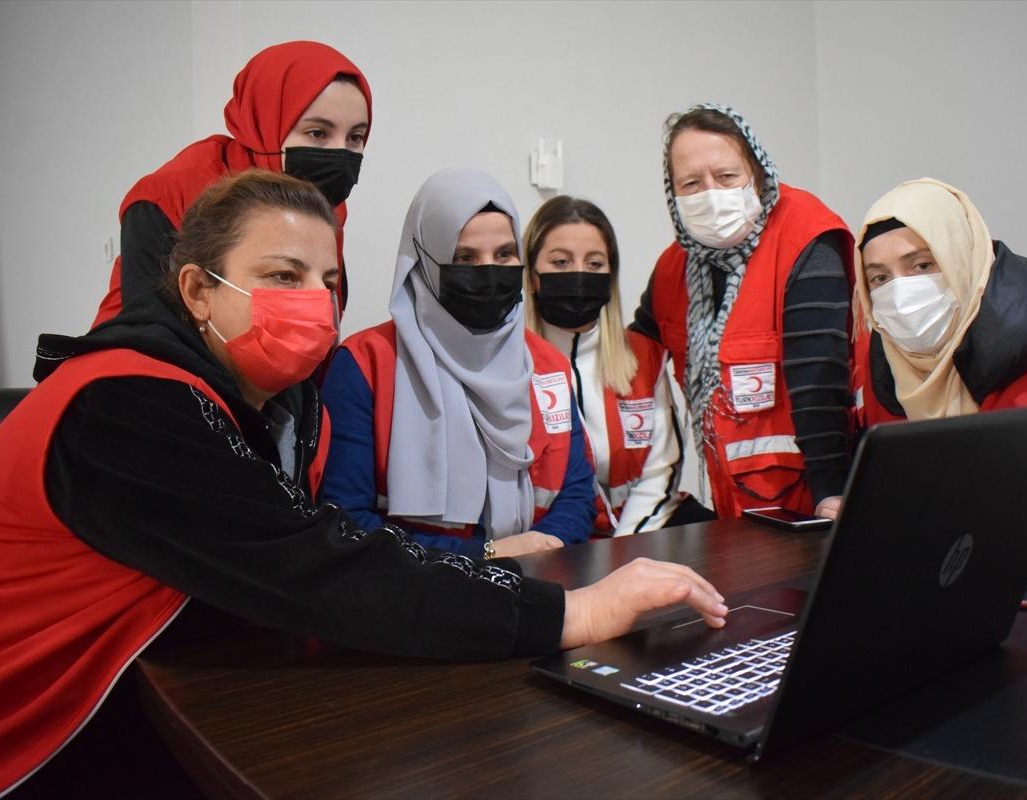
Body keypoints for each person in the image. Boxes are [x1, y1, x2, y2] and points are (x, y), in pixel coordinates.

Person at [0, 171, 728, 799]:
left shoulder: (252, 402)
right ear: (196, 292)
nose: (314, 302)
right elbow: (320, 559)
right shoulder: (125, 401)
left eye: (326, 279)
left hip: (113, 691)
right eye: (281, 275)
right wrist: (577, 610)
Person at [852, 177, 1027, 569]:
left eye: (922, 265)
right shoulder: (886, 375)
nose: (900, 295)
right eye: (880, 279)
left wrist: (977, 520)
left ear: (964, 261)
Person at [320, 169, 599, 559]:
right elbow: (345, 520)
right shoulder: (366, 363)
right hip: (413, 598)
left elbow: (577, 491)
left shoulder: (546, 365)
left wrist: (543, 545)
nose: (488, 271)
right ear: (425, 263)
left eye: (504, 254)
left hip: (538, 583)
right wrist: (486, 554)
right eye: (464, 257)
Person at [631, 104, 854, 523]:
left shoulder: (805, 238)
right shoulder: (674, 268)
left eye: (726, 177)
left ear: (757, 173)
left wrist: (832, 491)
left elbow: (820, 380)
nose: (710, 193)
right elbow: (632, 353)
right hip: (732, 505)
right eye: (691, 183)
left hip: (810, 503)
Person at [90, 40, 372, 326]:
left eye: (355, 137)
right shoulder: (171, 193)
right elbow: (149, 327)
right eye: (317, 133)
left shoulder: (325, 205)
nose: (340, 153)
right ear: (265, 121)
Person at [522, 195, 683, 534]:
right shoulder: (510, 366)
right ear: (533, 276)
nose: (579, 274)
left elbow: (659, 473)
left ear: (610, 276)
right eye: (561, 262)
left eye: (594, 264)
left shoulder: (644, 356)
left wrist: (626, 550)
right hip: (554, 546)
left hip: (641, 538)